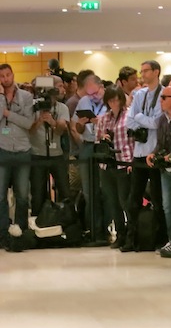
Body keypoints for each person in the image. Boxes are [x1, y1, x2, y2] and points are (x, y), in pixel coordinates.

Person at [121, 60, 167, 252]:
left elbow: (157, 123)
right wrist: (141, 119)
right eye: (141, 71)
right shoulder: (139, 94)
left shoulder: (164, 93)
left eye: (146, 71)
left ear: (156, 72)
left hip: (154, 152)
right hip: (139, 152)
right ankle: (132, 239)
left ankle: (160, 238)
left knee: (157, 198)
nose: (142, 75)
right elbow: (128, 122)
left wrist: (139, 117)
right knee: (134, 198)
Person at [147, 85, 171, 256]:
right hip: (165, 168)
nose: (160, 101)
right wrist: (154, 154)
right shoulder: (162, 119)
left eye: (164, 97)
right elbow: (161, 143)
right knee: (168, 206)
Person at [94, 86, 134, 249]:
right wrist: (103, 138)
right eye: (110, 100)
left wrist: (131, 162)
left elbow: (134, 140)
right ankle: (120, 234)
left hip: (124, 161)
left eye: (116, 99)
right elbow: (96, 140)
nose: (113, 102)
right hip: (107, 163)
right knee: (112, 202)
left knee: (125, 201)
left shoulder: (129, 115)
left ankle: (132, 234)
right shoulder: (104, 118)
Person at [0, 63, 33, 247]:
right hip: (2, 149)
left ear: (13, 74)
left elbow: (28, 123)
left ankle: (22, 232)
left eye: (7, 74)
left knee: (22, 195)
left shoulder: (26, 96)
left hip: (22, 150)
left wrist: (7, 113)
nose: (5, 79)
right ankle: (2, 234)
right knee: (0, 196)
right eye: (2, 76)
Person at [74, 74, 109, 243]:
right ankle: (93, 229)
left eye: (95, 93)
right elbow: (77, 128)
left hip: (104, 145)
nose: (93, 97)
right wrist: (81, 123)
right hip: (88, 144)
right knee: (89, 191)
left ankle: (106, 228)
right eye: (90, 94)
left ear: (101, 87)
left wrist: (100, 123)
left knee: (106, 190)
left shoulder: (111, 99)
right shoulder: (84, 102)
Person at [29, 76, 71, 216]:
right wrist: (39, 121)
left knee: (64, 191)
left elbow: (61, 131)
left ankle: (67, 221)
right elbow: (28, 131)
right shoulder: (33, 106)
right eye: (59, 85)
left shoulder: (62, 107)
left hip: (56, 154)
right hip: (37, 154)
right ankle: (36, 223)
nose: (62, 89)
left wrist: (53, 122)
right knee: (38, 193)